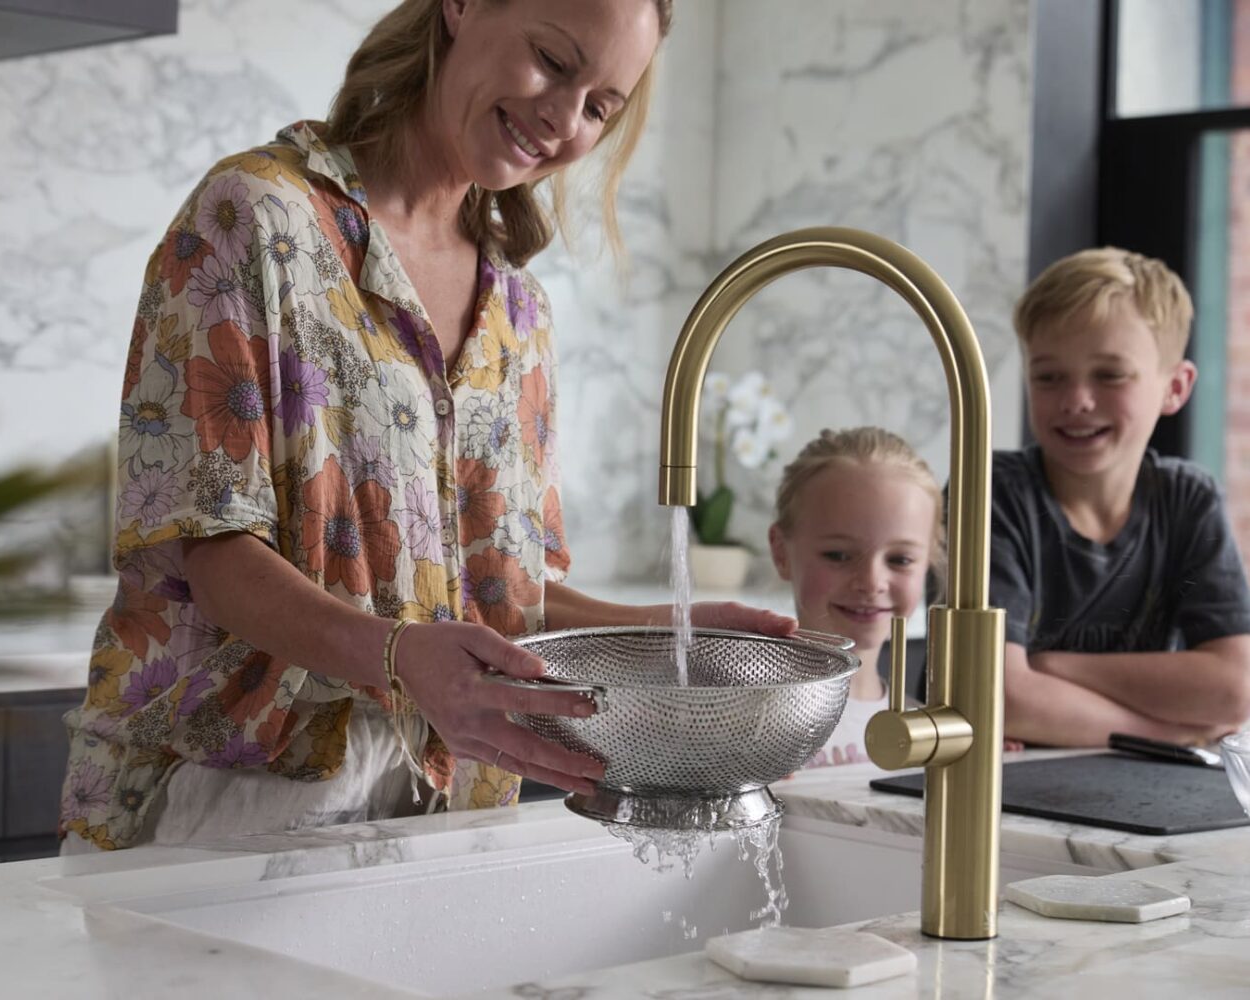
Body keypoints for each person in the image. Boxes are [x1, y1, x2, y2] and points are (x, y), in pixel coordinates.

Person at [58, 0, 796, 854]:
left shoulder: (516, 308)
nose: (563, 119)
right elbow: (214, 553)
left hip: (440, 803)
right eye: (553, 62)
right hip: (222, 794)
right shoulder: (255, 218)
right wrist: (404, 656)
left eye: (600, 107)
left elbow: (502, 593)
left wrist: (662, 641)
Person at [994, 247, 1250, 747]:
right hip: (998, 791)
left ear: (1174, 388)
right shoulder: (996, 495)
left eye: (1110, 374)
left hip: (1135, 798)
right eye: (1048, 377)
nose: (1076, 400)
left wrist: (1050, 667)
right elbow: (1001, 696)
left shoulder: (1188, 500)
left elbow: (1232, 690)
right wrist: (1166, 736)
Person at [766, 428, 942, 768]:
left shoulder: (927, 735)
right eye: (838, 555)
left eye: (900, 560)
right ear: (781, 552)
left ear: (928, 561)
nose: (871, 582)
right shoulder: (743, 723)